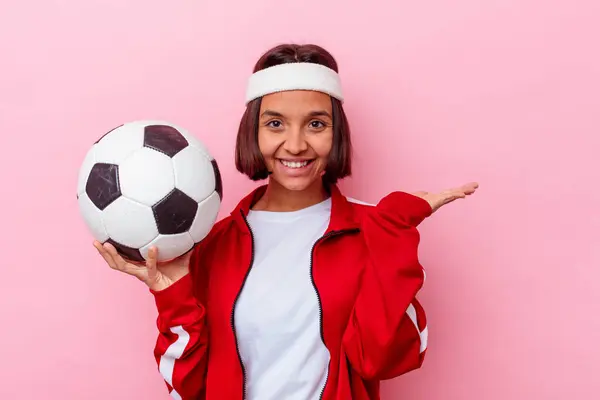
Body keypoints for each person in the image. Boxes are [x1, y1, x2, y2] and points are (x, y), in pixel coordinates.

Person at [94, 43, 478, 400]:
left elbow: (385, 359)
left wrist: (394, 228)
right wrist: (172, 293)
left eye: (316, 124)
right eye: (275, 124)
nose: (295, 145)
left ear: (336, 133)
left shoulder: (372, 231)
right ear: (253, 132)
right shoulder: (214, 243)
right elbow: (188, 388)